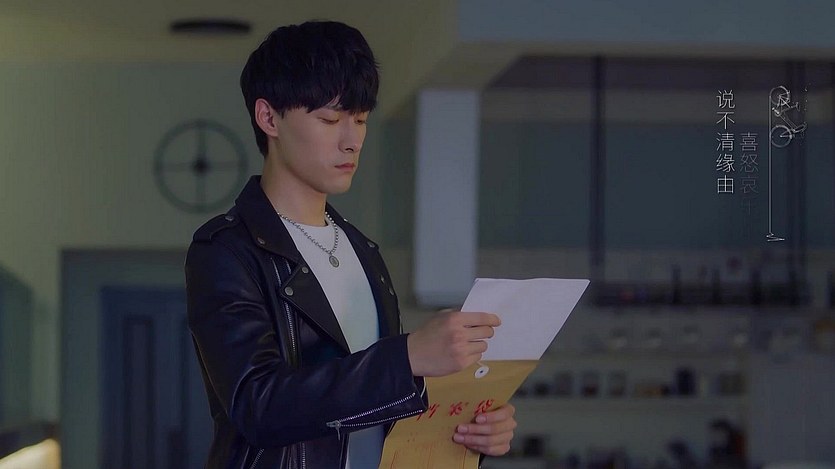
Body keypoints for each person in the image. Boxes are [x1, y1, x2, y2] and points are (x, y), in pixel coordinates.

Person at [184, 20, 516, 468]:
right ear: (269, 118)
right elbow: (258, 405)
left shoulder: (364, 251)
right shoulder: (226, 251)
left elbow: (373, 408)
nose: (352, 141)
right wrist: (407, 357)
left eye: (360, 120)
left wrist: (467, 426)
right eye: (329, 120)